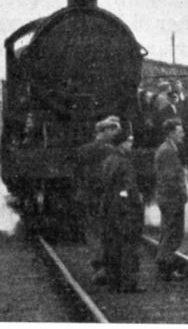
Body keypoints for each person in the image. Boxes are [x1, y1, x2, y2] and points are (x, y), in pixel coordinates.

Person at [75, 116, 121, 283]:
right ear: (104, 131)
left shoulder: (83, 150)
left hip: (89, 196)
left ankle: (99, 267)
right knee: (107, 231)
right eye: (112, 130)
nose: (115, 133)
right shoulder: (111, 151)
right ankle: (107, 267)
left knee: (94, 232)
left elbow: (78, 175)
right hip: (104, 196)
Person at [100, 128, 144, 293]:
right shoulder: (123, 162)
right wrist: (131, 203)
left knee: (113, 245)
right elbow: (126, 188)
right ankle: (128, 282)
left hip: (111, 207)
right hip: (124, 209)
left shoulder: (109, 160)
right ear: (122, 143)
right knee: (128, 245)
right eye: (129, 141)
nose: (131, 144)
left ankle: (114, 281)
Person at [154, 118, 188, 281]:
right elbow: (170, 177)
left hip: (169, 197)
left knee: (170, 230)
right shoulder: (168, 151)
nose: (183, 134)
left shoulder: (169, 148)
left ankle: (165, 263)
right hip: (171, 198)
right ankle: (165, 266)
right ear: (172, 133)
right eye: (180, 131)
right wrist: (181, 193)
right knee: (172, 231)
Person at [174, 80, 188, 166]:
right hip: (180, 124)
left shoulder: (187, 99)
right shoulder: (174, 99)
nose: (178, 88)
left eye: (179, 86)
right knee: (180, 143)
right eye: (176, 86)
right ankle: (182, 160)